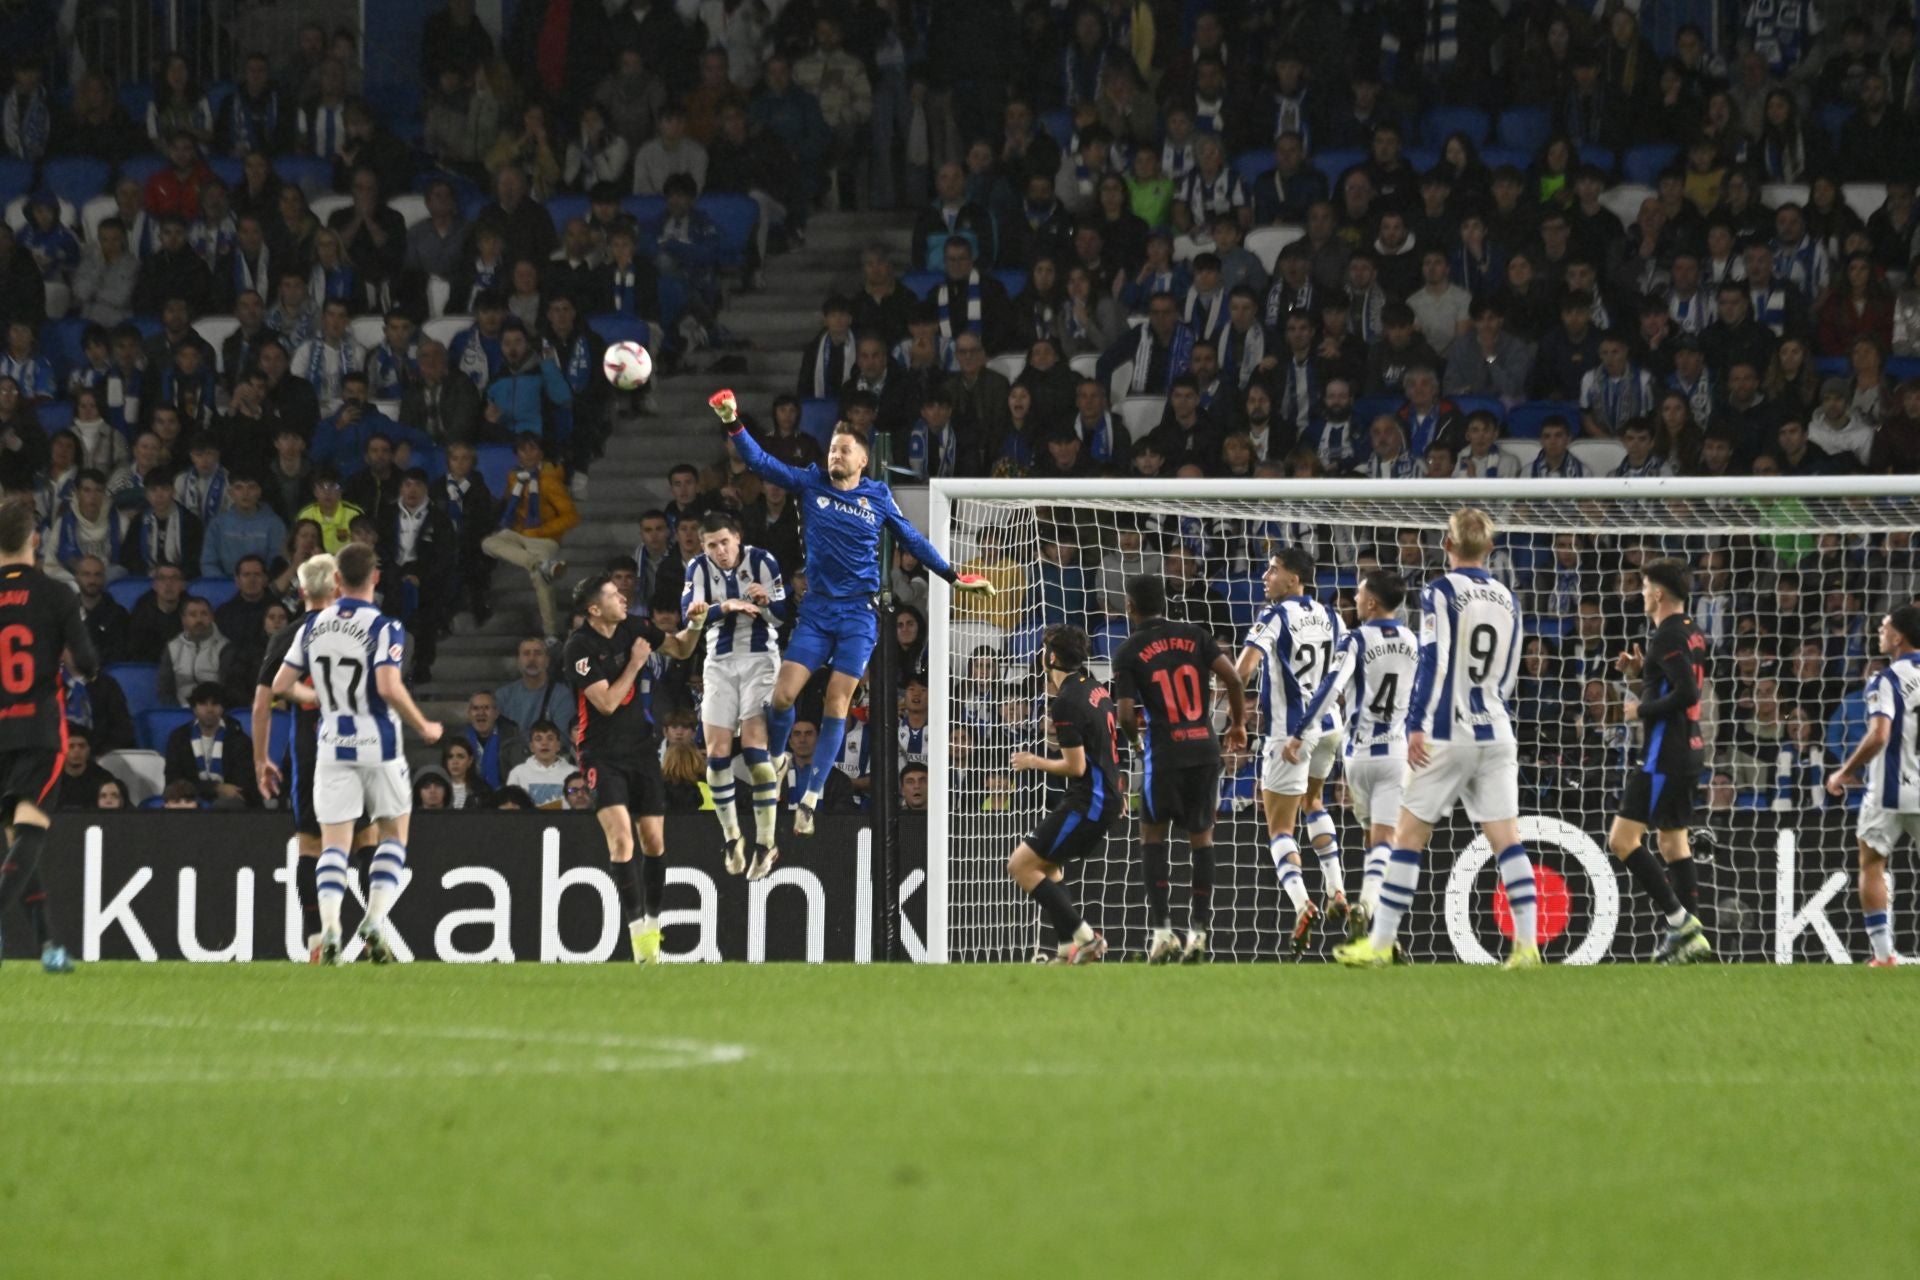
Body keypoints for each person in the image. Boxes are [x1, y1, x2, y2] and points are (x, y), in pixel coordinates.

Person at [709, 388, 993, 833]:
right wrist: (733, 423)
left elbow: (912, 540)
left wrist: (954, 576)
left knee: (837, 700)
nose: (834, 454)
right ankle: (779, 759)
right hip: (818, 611)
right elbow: (763, 464)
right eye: (831, 448)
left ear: (862, 460)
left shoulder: (878, 496)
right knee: (783, 696)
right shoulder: (810, 481)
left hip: (859, 615)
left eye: (843, 449)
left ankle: (813, 792)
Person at [1336, 508, 1541, 969]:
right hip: (1496, 728)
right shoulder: (1508, 596)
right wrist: (1491, 703)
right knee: (1507, 839)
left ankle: (1381, 942)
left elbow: (1434, 658)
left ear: (1446, 546)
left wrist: (1416, 723)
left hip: (1448, 732)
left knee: (1407, 837)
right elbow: (1511, 668)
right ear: (1490, 549)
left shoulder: (1440, 590)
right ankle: (1527, 946)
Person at [272, 543, 443, 965]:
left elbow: (280, 685)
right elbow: (387, 686)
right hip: (377, 745)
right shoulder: (385, 626)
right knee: (393, 835)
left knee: (332, 846)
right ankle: (374, 919)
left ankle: (330, 927)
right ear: (376, 578)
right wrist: (423, 725)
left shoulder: (312, 627)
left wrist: (314, 696)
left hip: (330, 745)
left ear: (336, 580)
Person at [563, 573, 708, 963]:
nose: (623, 597)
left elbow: (679, 650)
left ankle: (653, 922)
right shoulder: (579, 647)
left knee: (654, 842)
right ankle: (636, 931)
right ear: (595, 609)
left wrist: (694, 624)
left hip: (642, 750)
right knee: (622, 840)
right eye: (612, 594)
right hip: (601, 754)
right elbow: (606, 703)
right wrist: (636, 662)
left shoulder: (635, 627)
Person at [1111, 574, 1248, 963]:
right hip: (1204, 749)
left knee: (1152, 837)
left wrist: (1136, 743)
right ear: (1165, 604)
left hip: (1165, 753)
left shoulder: (1128, 650)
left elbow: (1124, 715)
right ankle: (1200, 933)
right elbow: (1235, 679)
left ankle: (1162, 932)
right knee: (1201, 840)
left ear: (1130, 606)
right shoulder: (1196, 635)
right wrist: (1237, 725)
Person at [1288, 570, 1417, 942]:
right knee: (1384, 838)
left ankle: (1374, 928)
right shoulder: (1411, 640)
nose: (1354, 601)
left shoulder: (1357, 640)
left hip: (1359, 753)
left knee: (1370, 836)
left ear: (1373, 602)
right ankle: (1369, 907)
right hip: (1396, 751)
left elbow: (1331, 687)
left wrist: (1301, 731)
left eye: (1359, 595)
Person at [0, 500, 95, 973]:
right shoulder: (56, 594)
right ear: (34, 539)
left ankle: (48, 945)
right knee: (32, 830)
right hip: (37, 726)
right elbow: (88, 661)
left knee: (17, 834)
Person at [1236, 548, 1345, 955]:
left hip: (1290, 735)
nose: (1265, 576)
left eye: (1274, 569)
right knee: (1315, 802)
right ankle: (1337, 889)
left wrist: (1233, 713)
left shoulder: (1276, 616)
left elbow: (1244, 668)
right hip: (1331, 726)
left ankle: (1303, 904)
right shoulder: (1334, 616)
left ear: (1294, 579)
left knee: (1280, 829)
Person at [1608, 557, 1713, 965]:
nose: (1641, 592)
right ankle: (1693, 939)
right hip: (1689, 749)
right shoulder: (1691, 632)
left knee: (1621, 841)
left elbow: (1687, 692)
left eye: (1644, 585)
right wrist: (1642, 673)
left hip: (1663, 755)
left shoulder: (1666, 635)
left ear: (1658, 593)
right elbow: (1675, 681)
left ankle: (1679, 921)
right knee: (1673, 842)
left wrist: (1641, 710)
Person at [1005, 624, 1118, 965]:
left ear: (1050, 657)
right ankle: (1068, 949)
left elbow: (1076, 767)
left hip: (1089, 801)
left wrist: (1032, 760)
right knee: (1048, 868)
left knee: (1020, 865)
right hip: (1105, 796)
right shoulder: (1096, 688)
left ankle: (1086, 939)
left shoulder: (1066, 701)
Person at [683, 513, 786, 880]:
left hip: (760, 660)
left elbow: (783, 613)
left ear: (738, 538)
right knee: (717, 755)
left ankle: (766, 843)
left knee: (757, 756)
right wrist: (721, 608)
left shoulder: (762, 561)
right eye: (712, 545)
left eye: (725, 542)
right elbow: (689, 617)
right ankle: (731, 838)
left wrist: (766, 602)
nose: (720, 551)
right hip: (718, 664)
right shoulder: (697, 568)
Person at [1824, 604, 1920, 967]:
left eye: (1884, 628)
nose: (1880, 633)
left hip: (1888, 790)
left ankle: (1883, 955)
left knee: (1872, 864)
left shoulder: (1886, 679)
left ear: (1898, 636)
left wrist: (1844, 770)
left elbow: (1879, 734)